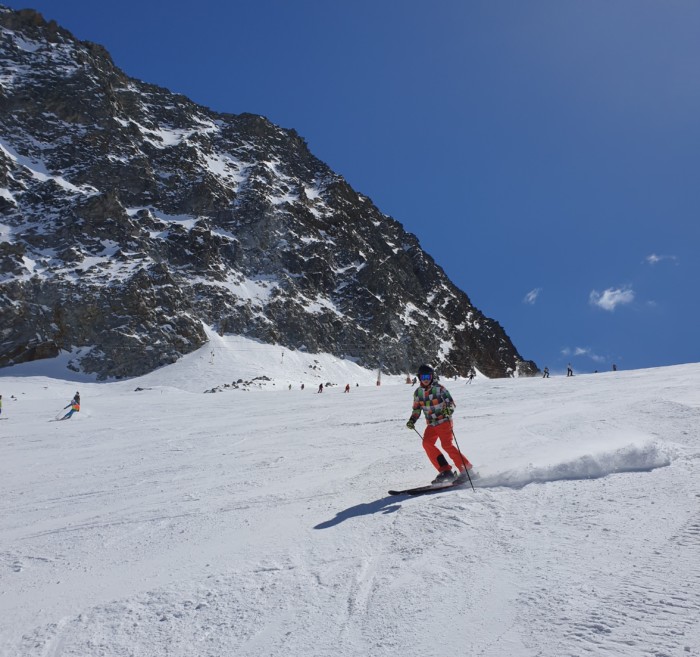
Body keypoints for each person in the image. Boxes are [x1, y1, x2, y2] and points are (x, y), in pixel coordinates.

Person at [406, 365, 473, 484]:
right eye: (423, 376)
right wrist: (412, 420)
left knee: (447, 445)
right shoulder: (418, 393)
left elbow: (451, 403)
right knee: (427, 443)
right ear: (420, 377)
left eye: (428, 376)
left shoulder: (440, 389)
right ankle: (445, 470)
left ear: (432, 377)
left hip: (444, 421)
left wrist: (448, 410)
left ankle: (467, 470)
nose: (426, 379)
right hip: (431, 424)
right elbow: (417, 409)